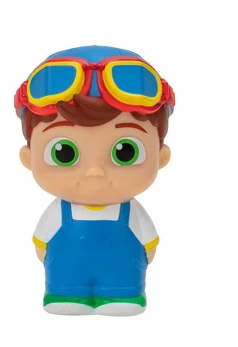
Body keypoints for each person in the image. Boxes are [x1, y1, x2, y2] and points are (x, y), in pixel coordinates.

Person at [14, 45, 175, 316]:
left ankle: (123, 295)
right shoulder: (58, 212)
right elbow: (42, 240)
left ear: (161, 157)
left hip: (123, 275)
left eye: (126, 152)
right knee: (66, 290)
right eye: (64, 153)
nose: (95, 171)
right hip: (66, 274)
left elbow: (148, 241)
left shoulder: (132, 212)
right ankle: (65, 294)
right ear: (28, 158)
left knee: (122, 291)